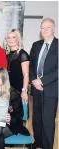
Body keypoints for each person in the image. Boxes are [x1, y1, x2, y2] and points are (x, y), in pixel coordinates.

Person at [29, 18, 58, 149]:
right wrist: (34, 81)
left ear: (54, 28)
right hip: (36, 88)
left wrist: (43, 81)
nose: (45, 30)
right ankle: (38, 142)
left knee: (48, 122)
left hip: (51, 90)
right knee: (37, 120)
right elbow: (31, 66)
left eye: (48, 27)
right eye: (43, 28)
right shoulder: (36, 45)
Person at [0, 67, 30, 149]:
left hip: (10, 124)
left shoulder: (13, 94)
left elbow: (20, 115)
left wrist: (10, 118)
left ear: (4, 79)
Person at [4, 29, 29, 103]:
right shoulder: (7, 55)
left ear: (18, 39)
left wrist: (24, 90)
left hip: (19, 91)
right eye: (8, 37)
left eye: (13, 37)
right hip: (8, 91)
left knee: (19, 114)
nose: (11, 40)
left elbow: (26, 74)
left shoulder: (23, 54)